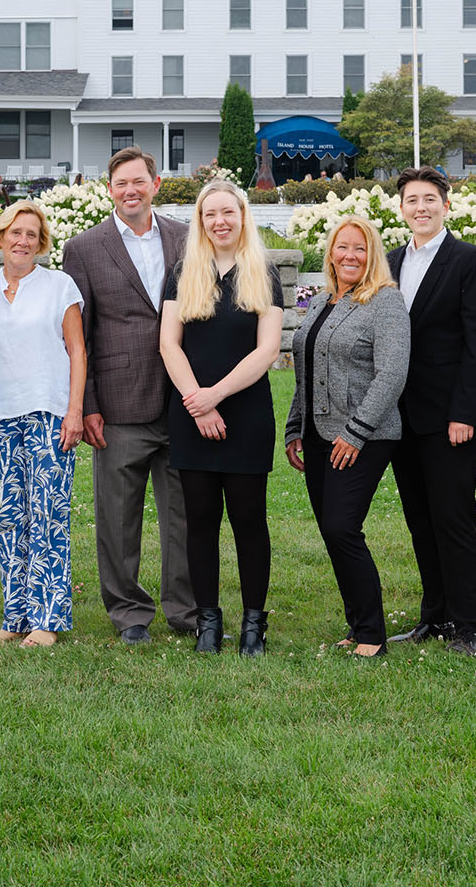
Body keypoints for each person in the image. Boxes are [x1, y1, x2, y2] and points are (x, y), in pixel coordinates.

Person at [60, 146, 195, 644]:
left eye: (139, 181)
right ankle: (129, 612)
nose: (130, 191)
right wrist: (88, 404)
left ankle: (185, 610)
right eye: (121, 184)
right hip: (117, 402)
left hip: (183, 399)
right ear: (109, 189)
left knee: (184, 513)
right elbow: (80, 335)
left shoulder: (186, 237)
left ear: (155, 184)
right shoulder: (84, 249)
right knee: (117, 517)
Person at [159, 180, 285, 656]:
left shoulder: (263, 271)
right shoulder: (183, 271)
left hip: (246, 413)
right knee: (201, 520)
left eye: (228, 212)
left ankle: (255, 623)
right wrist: (196, 399)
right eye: (210, 214)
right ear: (201, 221)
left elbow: (268, 349)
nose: (220, 221)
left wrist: (216, 395)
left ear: (242, 215)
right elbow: (169, 343)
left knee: (250, 519)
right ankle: (207, 621)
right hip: (192, 414)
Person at [383, 165, 476, 654]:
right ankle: (437, 616)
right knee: (419, 517)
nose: (421, 207)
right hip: (400, 415)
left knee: (452, 515)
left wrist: (465, 413)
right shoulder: (388, 261)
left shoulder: (467, 259)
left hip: (452, 415)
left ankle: (472, 624)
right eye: (412, 199)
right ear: (401, 208)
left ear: (446, 205)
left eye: (430, 198)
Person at [0, 201, 87, 647]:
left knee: (48, 516)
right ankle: (14, 618)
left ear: (41, 243)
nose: (22, 241)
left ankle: (47, 621)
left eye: (32, 234)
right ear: (0, 238)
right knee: (10, 516)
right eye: (15, 233)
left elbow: (77, 351)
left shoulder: (60, 286)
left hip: (49, 414)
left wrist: (75, 411)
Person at [284, 215, 410, 658]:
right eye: (342, 247)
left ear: (371, 254)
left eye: (359, 248)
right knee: (331, 531)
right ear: (331, 254)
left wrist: (355, 434)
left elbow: (392, 374)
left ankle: (373, 635)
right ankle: (359, 626)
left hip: (366, 436)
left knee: (342, 526)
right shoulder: (321, 302)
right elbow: (305, 370)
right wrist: (294, 428)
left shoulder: (386, 302)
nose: (350, 255)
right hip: (317, 435)